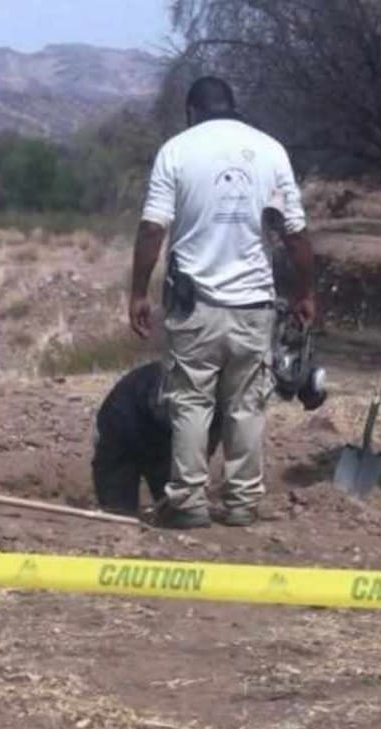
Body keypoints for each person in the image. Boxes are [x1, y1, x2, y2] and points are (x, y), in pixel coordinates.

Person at [128, 76, 316, 529]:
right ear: (233, 106)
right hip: (254, 306)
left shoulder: (176, 150)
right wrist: (305, 291)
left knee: (191, 403)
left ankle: (188, 501)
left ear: (192, 111)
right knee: (247, 404)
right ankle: (242, 501)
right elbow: (295, 234)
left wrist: (137, 291)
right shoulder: (271, 151)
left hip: (196, 306)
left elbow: (153, 228)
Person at [91, 361, 221, 516]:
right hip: (123, 425)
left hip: (163, 436)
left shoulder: (219, 400)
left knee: (177, 510)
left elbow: (204, 445)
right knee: (116, 512)